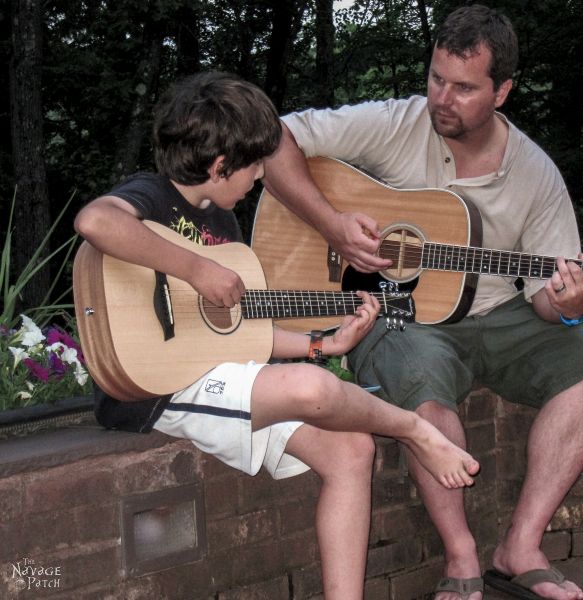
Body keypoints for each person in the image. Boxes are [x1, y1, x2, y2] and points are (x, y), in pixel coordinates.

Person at [259, 5, 583, 600]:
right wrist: (330, 225)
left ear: (503, 91)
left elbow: (545, 302)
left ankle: (521, 546)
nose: (441, 99)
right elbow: (271, 135)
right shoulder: (397, 123)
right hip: (398, 315)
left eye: (463, 87)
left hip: (499, 313)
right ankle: (461, 556)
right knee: (422, 381)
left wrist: (570, 302)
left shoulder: (535, 173)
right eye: (436, 79)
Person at [73, 71, 480, 600]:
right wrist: (195, 269)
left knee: (352, 449)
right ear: (221, 167)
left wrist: (321, 344)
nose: (264, 173)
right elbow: (94, 221)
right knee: (313, 390)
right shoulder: (151, 195)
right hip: (158, 387)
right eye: (257, 164)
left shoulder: (224, 225)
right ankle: (417, 431)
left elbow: (235, 331)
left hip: (215, 373)